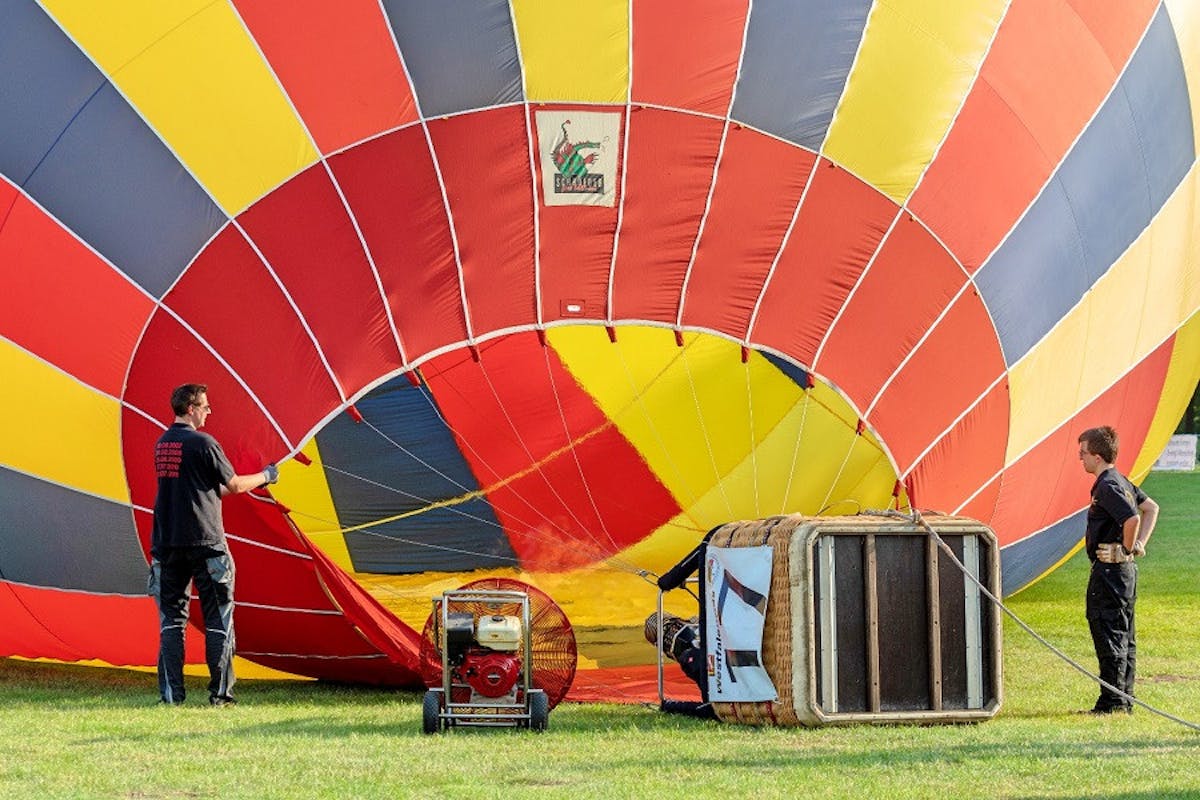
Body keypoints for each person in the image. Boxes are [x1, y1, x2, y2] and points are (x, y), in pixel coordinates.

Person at [150, 383, 279, 706]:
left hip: (167, 544)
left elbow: (198, 492)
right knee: (218, 617)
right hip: (207, 544)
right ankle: (220, 694)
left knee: (172, 619)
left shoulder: (162, 444)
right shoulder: (204, 443)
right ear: (191, 408)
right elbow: (233, 485)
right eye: (205, 406)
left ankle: (171, 696)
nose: (209, 412)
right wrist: (266, 475)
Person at [1077, 426, 1159, 715]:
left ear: (1097, 456)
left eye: (1083, 453)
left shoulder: (1107, 485)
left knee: (1108, 630)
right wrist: (1137, 547)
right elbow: (1152, 508)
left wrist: (1127, 548)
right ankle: (1124, 699)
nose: (1080, 458)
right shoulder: (1121, 480)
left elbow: (1133, 517)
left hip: (1111, 573)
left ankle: (1111, 703)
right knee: (1124, 634)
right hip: (1124, 575)